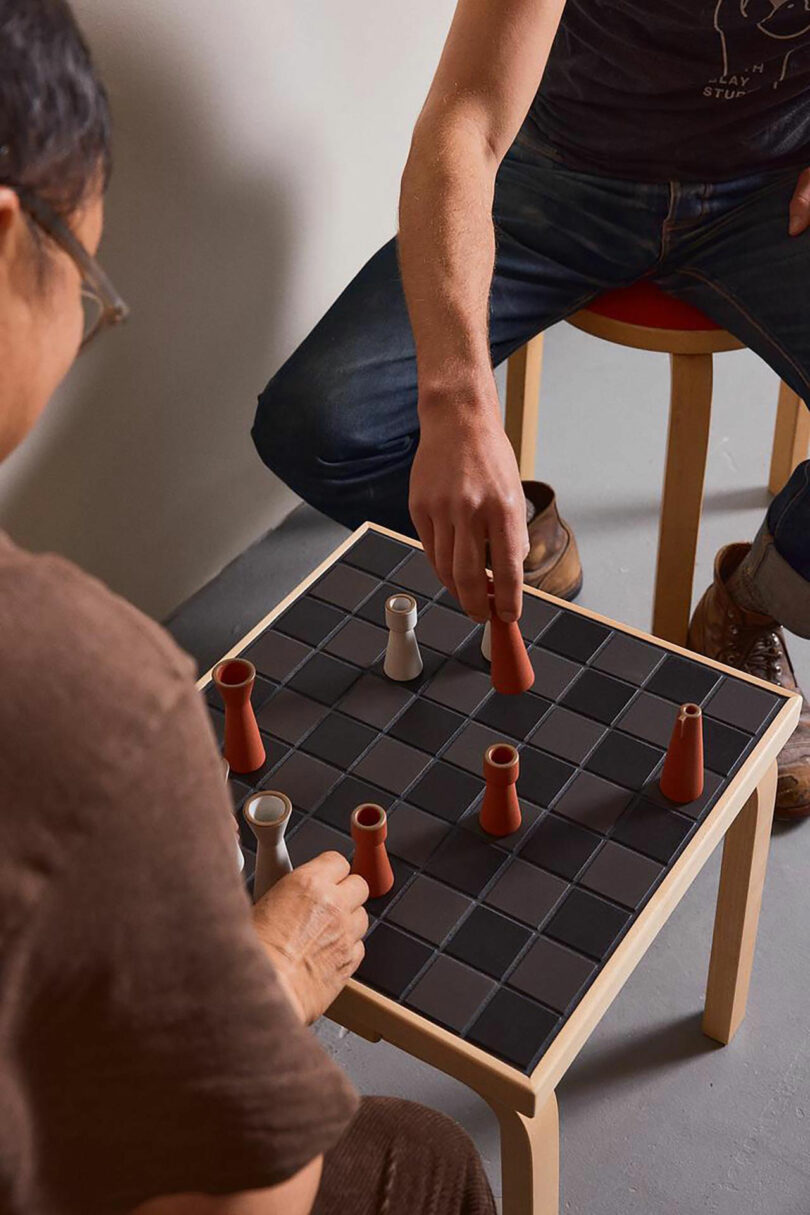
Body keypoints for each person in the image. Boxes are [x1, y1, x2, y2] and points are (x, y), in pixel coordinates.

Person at [0, 4, 495, 1214]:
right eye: (89, 285)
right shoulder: (100, 701)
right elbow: (246, 1200)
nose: (81, 327)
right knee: (428, 1160)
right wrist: (274, 971)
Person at [253, 0, 810, 820]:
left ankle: (756, 601)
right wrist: (456, 403)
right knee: (321, 423)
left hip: (771, 190)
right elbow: (466, 121)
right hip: (570, 175)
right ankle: (523, 547)